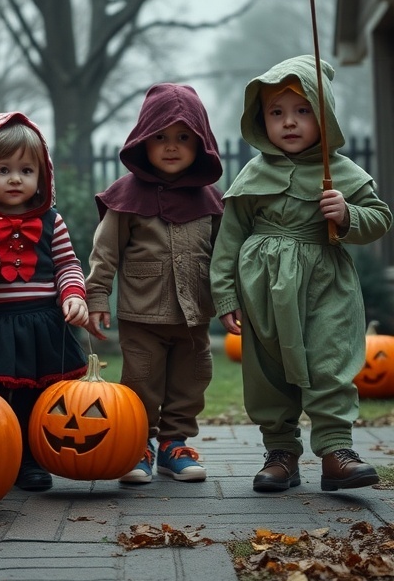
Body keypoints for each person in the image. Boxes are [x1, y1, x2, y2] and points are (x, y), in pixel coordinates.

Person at [210, 54, 392, 493]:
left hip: (325, 287)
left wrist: (348, 215)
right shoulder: (253, 175)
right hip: (263, 292)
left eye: (302, 110)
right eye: (276, 113)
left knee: (329, 362)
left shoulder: (342, 172)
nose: (288, 123)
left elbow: (380, 218)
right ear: (261, 120)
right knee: (268, 371)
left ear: (323, 114)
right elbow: (229, 240)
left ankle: (335, 452)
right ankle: (281, 454)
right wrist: (226, 295)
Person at [0, 112, 89, 492]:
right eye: (3, 169)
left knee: (34, 396)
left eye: (26, 170)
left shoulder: (52, 221)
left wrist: (74, 296)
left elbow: (68, 266)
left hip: (41, 323)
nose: (14, 178)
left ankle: (30, 459)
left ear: (42, 176)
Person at [86, 83, 223, 484]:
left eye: (184, 138)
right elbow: (105, 252)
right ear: (143, 140)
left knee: (191, 381)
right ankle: (140, 443)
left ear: (201, 144)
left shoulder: (211, 201)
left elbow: (225, 258)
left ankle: (174, 444)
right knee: (141, 382)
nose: (171, 147)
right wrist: (96, 296)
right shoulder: (125, 198)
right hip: (141, 314)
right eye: (160, 137)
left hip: (194, 315)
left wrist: (232, 302)